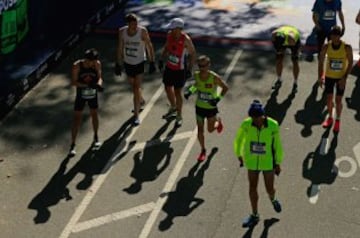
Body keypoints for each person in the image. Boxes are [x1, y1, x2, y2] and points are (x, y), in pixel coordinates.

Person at [233, 100, 284, 228]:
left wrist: (278, 162)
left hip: (267, 162)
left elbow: (277, 145)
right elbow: (239, 140)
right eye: (253, 118)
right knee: (252, 188)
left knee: (269, 188)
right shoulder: (246, 124)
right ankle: (254, 215)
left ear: (263, 115)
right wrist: (238, 154)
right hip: (252, 161)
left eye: (257, 118)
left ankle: (273, 199)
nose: (255, 121)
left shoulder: (273, 125)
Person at [184, 55, 228, 161]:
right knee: (200, 130)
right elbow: (197, 85)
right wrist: (190, 91)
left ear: (209, 65)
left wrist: (217, 99)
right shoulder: (197, 75)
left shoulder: (214, 77)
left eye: (204, 66)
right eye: (200, 66)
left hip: (210, 109)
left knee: (210, 130)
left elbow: (225, 88)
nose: (202, 68)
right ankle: (203, 150)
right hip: (199, 107)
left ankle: (218, 123)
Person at [115, 13, 156, 126]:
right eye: (133, 24)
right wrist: (118, 63)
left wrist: (152, 61)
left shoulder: (142, 31)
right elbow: (120, 46)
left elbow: (149, 45)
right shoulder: (122, 31)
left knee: (135, 88)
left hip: (139, 62)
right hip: (128, 62)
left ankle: (136, 115)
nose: (135, 26)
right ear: (127, 24)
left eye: (136, 23)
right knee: (132, 85)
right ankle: (141, 100)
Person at [158, 17, 196, 127]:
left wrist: (189, 69)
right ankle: (173, 107)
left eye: (174, 29)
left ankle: (179, 115)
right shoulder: (170, 35)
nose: (172, 30)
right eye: (172, 29)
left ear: (179, 29)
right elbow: (166, 48)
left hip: (180, 70)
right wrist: (161, 59)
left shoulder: (186, 40)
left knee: (177, 92)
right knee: (167, 87)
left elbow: (193, 54)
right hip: (169, 67)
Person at [318, 25, 353, 133]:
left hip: (340, 77)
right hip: (329, 76)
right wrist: (320, 76)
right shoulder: (326, 46)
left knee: (338, 100)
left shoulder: (346, 47)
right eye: (332, 36)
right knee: (329, 99)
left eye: (336, 36)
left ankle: (338, 120)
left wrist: (345, 78)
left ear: (339, 36)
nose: (333, 38)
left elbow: (351, 62)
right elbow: (321, 62)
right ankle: (329, 118)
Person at [69, 48, 104, 156]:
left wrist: (99, 84)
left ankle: (96, 137)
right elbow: (74, 82)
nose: (91, 64)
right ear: (86, 59)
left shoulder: (97, 64)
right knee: (77, 118)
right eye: (90, 61)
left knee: (94, 114)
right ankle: (73, 144)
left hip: (92, 94)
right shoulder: (77, 66)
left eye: (93, 61)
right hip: (81, 95)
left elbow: (100, 77)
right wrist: (87, 85)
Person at [271, 25, 301, 91]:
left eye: (281, 48)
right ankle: (279, 79)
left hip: (293, 41)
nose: (281, 50)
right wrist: (279, 51)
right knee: (279, 59)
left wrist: (295, 54)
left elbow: (296, 48)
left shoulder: (292, 40)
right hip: (284, 36)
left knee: (295, 61)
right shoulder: (274, 35)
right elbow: (277, 47)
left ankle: (295, 82)